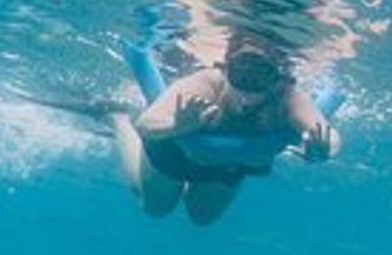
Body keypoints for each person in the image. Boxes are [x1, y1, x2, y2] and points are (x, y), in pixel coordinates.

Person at [112, 30, 340, 225]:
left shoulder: (288, 98)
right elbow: (146, 123)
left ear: (276, 80)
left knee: (203, 219)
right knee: (156, 210)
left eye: (260, 78)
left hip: (228, 165)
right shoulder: (206, 83)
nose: (246, 95)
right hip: (176, 152)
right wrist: (177, 125)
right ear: (225, 69)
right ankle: (119, 118)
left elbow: (329, 135)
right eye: (240, 75)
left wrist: (323, 151)